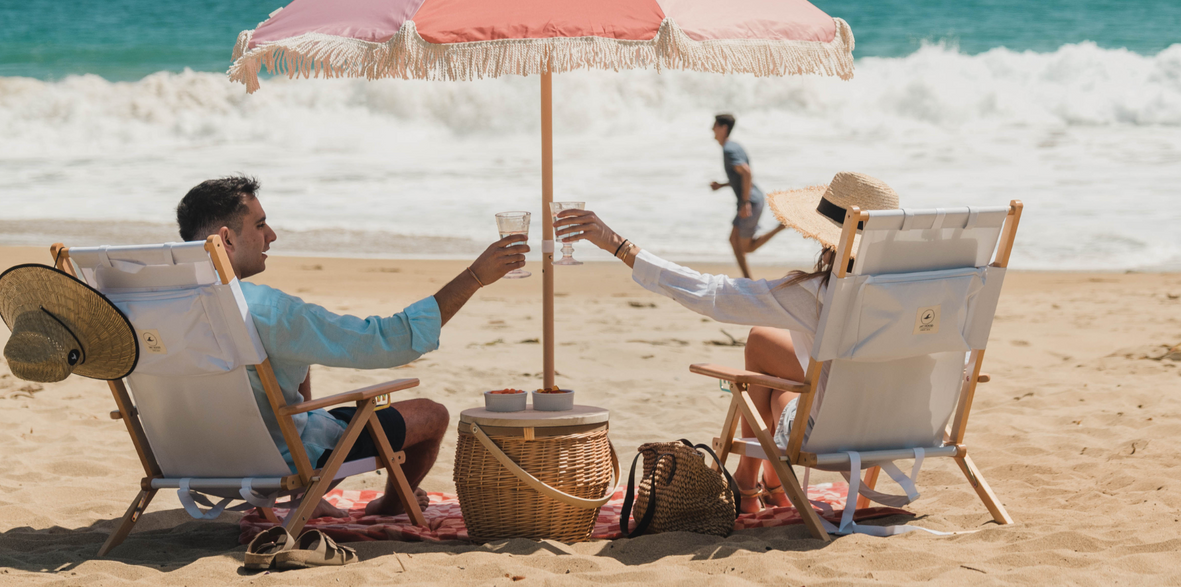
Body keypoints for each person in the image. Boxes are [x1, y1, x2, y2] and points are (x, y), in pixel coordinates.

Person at [176, 175, 527, 517]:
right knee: (432, 415)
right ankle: (387, 506)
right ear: (226, 238)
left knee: (291, 357)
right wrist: (475, 277)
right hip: (276, 463)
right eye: (260, 225)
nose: (271, 235)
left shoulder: (158, 306)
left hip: (191, 460)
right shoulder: (267, 311)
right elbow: (387, 341)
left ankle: (311, 498)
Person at [556, 171, 900, 514]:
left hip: (831, 435)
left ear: (827, 237)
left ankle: (751, 482)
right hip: (895, 428)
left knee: (775, 385)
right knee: (764, 342)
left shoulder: (816, 294)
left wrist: (618, 246)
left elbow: (714, 293)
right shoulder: (915, 289)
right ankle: (764, 484)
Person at [708, 113, 785, 278]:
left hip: (751, 202)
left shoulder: (729, 149)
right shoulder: (734, 146)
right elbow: (740, 177)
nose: (711, 129)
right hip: (751, 199)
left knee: (746, 247)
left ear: (724, 128)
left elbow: (746, 173)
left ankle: (780, 227)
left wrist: (745, 203)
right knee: (733, 240)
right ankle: (747, 279)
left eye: (714, 126)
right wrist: (722, 185)